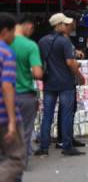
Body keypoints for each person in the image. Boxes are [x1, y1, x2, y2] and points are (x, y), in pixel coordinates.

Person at [35, 13, 85, 156]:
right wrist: (80, 76)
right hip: (65, 83)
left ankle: (44, 147)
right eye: (65, 23)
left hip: (49, 82)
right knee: (66, 115)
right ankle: (67, 146)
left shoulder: (43, 41)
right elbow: (70, 62)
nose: (68, 26)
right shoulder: (64, 41)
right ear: (58, 25)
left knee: (47, 115)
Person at [9, 15, 43, 167]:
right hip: (24, 94)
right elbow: (37, 73)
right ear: (28, 25)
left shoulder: (4, 44)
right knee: (25, 129)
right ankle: (21, 161)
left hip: (5, 94)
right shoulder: (30, 46)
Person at [0, 13, 25, 182]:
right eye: (12, 32)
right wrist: (11, 121)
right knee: (16, 160)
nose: (14, 37)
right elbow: (7, 85)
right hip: (3, 114)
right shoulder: (7, 53)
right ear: (5, 31)